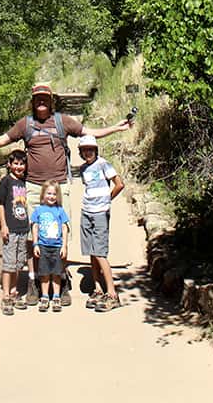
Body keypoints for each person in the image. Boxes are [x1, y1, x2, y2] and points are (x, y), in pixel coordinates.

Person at [0, 81, 130, 306]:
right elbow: (2, 140)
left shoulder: (63, 122)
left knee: (60, 233)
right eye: (37, 98)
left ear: (51, 101)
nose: (41, 101)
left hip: (60, 186)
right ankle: (34, 281)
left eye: (45, 98)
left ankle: (60, 281)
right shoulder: (26, 124)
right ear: (33, 102)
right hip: (32, 187)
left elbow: (90, 133)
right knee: (34, 238)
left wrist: (116, 128)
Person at [78, 133, 124, 312]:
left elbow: (119, 184)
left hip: (100, 212)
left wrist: (107, 200)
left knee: (99, 251)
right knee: (91, 249)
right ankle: (97, 288)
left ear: (95, 150)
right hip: (87, 210)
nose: (88, 153)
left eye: (90, 149)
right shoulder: (83, 169)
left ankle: (112, 293)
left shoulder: (103, 164)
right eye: (84, 150)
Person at [0, 149, 30, 316]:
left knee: (18, 262)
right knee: (9, 263)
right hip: (11, 228)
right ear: (9, 165)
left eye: (21, 163)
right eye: (15, 163)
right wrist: (4, 225)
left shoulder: (24, 183)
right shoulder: (6, 182)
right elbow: (0, 204)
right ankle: (6, 295)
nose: (18, 166)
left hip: (23, 228)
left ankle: (15, 292)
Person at [30, 180, 70, 312]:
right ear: (43, 195)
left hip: (57, 246)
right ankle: (45, 296)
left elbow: (64, 228)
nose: (51, 196)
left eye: (54, 194)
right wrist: (35, 244)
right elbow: (35, 227)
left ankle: (56, 296)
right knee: (45, 273)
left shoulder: (60, 210)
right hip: (43, 246)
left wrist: (64, 246)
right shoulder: (39, 210)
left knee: (56, 273)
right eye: (48, 193)